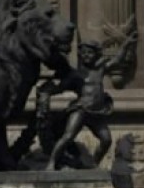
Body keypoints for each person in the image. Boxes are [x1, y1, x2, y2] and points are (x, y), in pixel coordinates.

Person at [43, 34, 136, 171]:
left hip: (96, 112)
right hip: (81, 110)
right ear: (80, 55)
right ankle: (51, 162)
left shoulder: (100, 70)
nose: (87, 56)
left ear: (96, 54)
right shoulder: (76, 75)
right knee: (68, 136)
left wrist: (126, 45)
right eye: (84, 53)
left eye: (90, 53)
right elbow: (62, 87)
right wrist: (50, 91)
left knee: (106, 140)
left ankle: (93, 163)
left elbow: (117, 60)